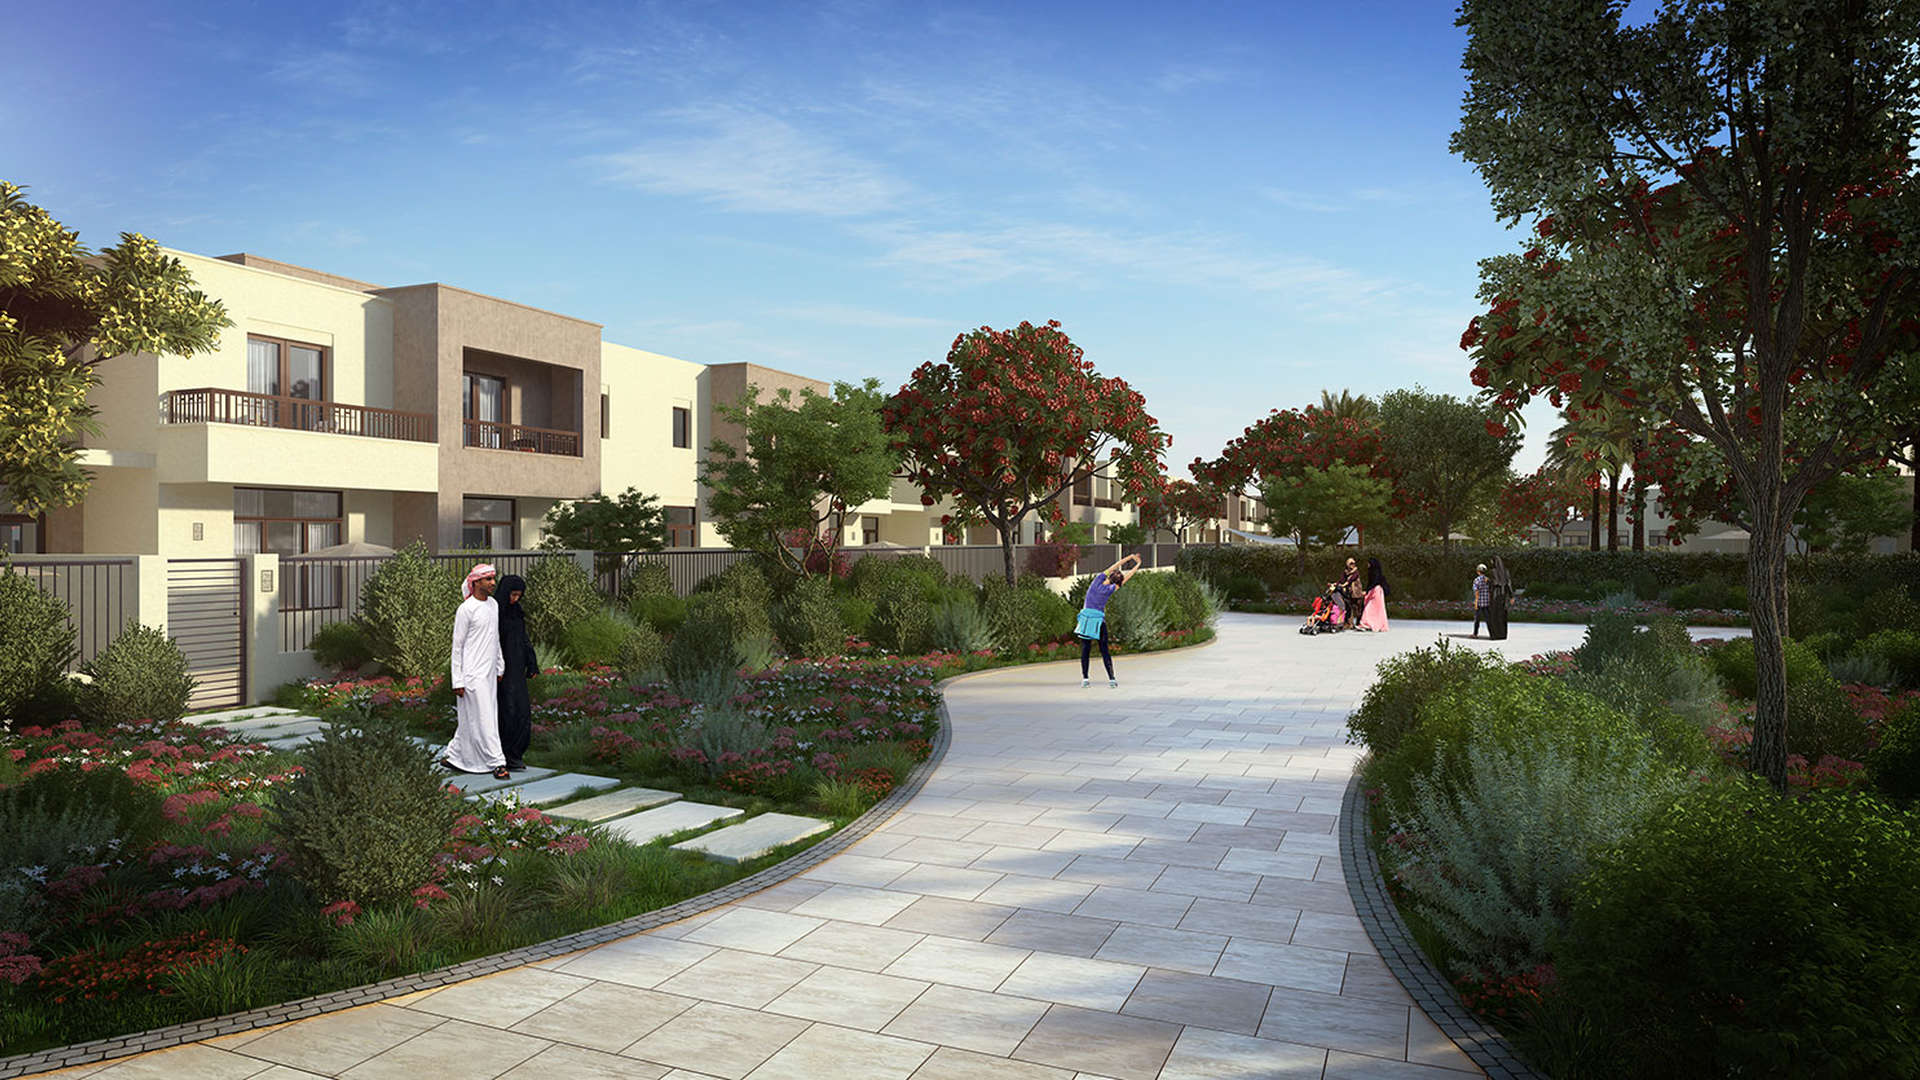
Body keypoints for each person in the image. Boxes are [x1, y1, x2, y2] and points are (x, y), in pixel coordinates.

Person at [443, 564, 508, 780]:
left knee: (473, 717)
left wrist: (500, 665)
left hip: (489, 672)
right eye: (488, 579)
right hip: (471, 674)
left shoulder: (493, 605)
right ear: (476, 582)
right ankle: (497, 762)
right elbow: (457, 647)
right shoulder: (466, 609)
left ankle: (453, 755)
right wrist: (457, 680)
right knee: (485, 717)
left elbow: (494, 637)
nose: (492, 583)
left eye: (493, 578)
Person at [1077, 552, 1142, 688]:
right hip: (1099, 622)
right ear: (1117, 582)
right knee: (1104, 650)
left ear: (1109, 575)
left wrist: (1130, 558)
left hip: (1086, 621)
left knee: (1085, 650)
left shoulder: (1096, 581)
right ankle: (1112, 679)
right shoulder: (1110, 589)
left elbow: (1115, 566)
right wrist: (1138, 564)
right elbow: (1126, 578)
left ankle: (1085, 679)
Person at [494, 573, 538, 773]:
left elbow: (523, 638)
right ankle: (504, 755)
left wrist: (532, 662)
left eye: (519, 595)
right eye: (512, 595)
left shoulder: (517, 611)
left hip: (517, 668)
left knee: (521, 710)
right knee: (507, 709)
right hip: (501, 670)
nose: (515, 599)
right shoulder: (495, 612)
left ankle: (516, 754)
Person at [1359, 557, 1391, 632]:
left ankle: (1366, 624)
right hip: (1377, 592)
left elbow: (1373, 583)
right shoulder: (1377, 572)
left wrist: (1366, 591)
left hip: (1375, 591)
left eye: (1368, 563)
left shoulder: (1374, 573)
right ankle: (1374, 624)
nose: (1367, 564)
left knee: (1369, 608)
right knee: (1377, 610)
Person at [1487, 556, 1515, 640]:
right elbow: (1508, 585)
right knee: (1502, 616)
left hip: (1494, 597)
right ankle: (1502, 634)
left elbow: (1491, 585)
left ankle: (1495, 635)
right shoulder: (1506, 572)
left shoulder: (1492, 572)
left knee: (1493, 616)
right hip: (1503, 596)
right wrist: (1511, 596)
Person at [1332, 557, 1363, 627]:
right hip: (1349, 593)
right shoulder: (1345, 572)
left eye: (1354, 563)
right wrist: (1336, 584)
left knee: (1358, 609)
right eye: (1351, 563)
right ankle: (1349, 623)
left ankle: (1359, 623)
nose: (1353, 565)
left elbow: (1351, 579)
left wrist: (1344, 585)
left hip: (1356, 593)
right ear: (1347, 564)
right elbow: (1342, 580)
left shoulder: (1356, 571)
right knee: (1349, 608)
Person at [1471, 564, 1491, 637]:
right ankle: (1492, 634)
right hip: (1486, 602)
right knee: (1488, 620)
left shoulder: (1477, 580)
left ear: (1478, 571)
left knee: (1477, 620)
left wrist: (1476, 602)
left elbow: (1476, 592)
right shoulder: (1488, 580)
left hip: (1479, 602)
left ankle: (1475, 634)